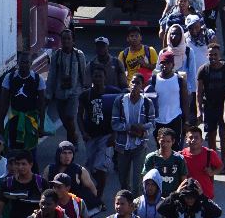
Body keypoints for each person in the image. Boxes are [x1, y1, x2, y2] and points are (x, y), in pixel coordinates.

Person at [78, 67, 122, 208]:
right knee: (91, 167)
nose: (98, 79)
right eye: (95, 76)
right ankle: (95, 188)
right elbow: (79, 115)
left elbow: (121, 112)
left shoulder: (113, 93)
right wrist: (83, 132)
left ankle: (98, 197)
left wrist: (115, 134)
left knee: (101, 166)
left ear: (105, 78)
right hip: (91, 136)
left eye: (100, 76)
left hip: (106, 135)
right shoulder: (86, 95)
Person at [111, 74, 156, 196]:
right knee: (123, 182)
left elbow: (152, 124)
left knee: (137, 181)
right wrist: (130, 128)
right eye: (133, 82)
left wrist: (141, 131)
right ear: (129, 84)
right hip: (122, 147)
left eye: (138, 83)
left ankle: (135, 208)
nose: (135, 85)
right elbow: (114, 124)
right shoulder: (119, 101)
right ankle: (126, 204)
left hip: (139, 146)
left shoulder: (147, 103)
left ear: (142, 86)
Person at [46, 29, 88, 144]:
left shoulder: (79, 55)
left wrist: (86, 91)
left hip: (74, 92)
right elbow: (52, 75)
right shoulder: (56, 55)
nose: (66, 41)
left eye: (69, 39)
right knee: (65, 120)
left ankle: (72, 143)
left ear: (73, 41)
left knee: (70, 117)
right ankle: (73, 137)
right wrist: (48, 94)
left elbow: (84, 74)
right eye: (64, 39)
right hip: (60, 92)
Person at [196, 43, 225, 157]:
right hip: (209, 107)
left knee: (223, 133)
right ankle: (213, 159)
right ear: (207, 55)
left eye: (215, 54)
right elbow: (199, 93)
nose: (213, 57)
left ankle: (223, 159)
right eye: (210, 55)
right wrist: (199, 110)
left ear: (219, 55)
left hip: (224, 107)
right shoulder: (203, 70)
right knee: (211, 134)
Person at [142, 127, 188, 201]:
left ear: (173, 141)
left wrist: (178, 195)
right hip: (155, 198)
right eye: (162, 141)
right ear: (157, 140)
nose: (165, 144)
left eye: (168, 141)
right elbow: (145, 179)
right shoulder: (151, 158)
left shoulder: (179, 159)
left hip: (174, 197)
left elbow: (184, 180)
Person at [180, 126, 224, 200]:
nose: (193, 140)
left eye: (196, 137)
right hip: (187, 195)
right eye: (190, 137)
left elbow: (220, 166)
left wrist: (212, 172)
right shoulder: (180, 155)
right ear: (186, 140)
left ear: (201, 140)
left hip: (206, 194)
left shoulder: (210, 153)